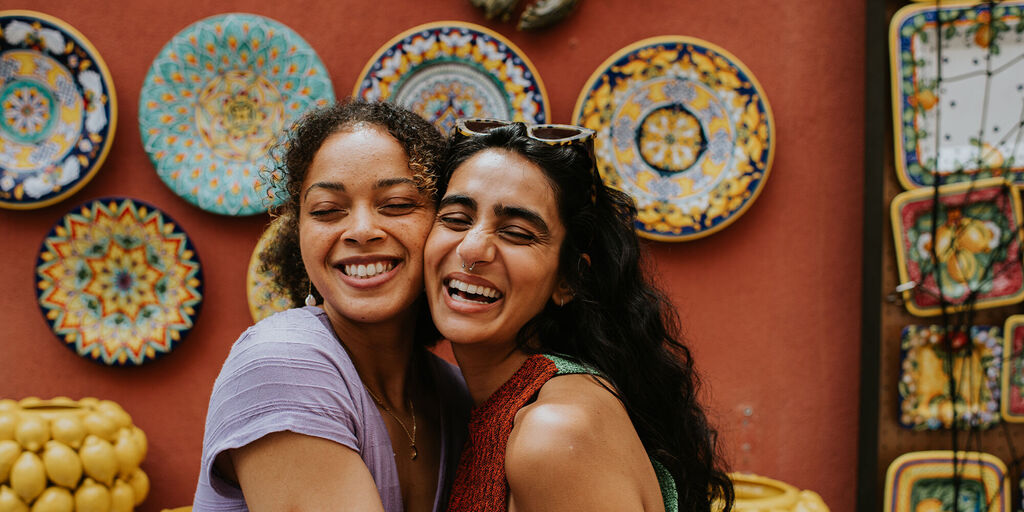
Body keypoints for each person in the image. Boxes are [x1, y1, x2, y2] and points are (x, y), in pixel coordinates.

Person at [423, 119, 733, 512]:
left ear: (568, 279)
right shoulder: (502, 404)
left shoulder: (553, 432)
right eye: (455, 219)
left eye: (516, 232)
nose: (472, 248)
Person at [194, 100, 471, 512]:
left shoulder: (453, 394)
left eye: (396, 204)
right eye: (327, 211)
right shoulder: (281, 362)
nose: (361, 230)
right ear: (299, 233)